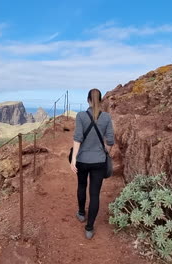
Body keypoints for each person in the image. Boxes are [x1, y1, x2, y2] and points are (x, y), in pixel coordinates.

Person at [70, 88, 114, 239]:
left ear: (88, 100)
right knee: (94, 194)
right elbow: (110, 141)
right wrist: (105, 151)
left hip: (82, 160)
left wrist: (74, 158)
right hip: (99, 161)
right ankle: (89, 228)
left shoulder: (81, 116)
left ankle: (81, 213)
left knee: (81, 186)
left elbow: (77, 138)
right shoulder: (107, 118)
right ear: (100, 101)